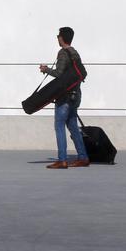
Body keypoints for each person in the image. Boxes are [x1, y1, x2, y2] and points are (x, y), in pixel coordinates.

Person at [38, 26, 88, 169]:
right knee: (72, 126)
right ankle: (83, 157)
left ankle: (62, 160)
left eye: (58, 35)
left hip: (65, 97)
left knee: (59, 126)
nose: (57, 38)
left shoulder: (62, 53)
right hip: (76, 95)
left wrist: (46, 69)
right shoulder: (74, 53)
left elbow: (59, 74)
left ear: (62, 38)